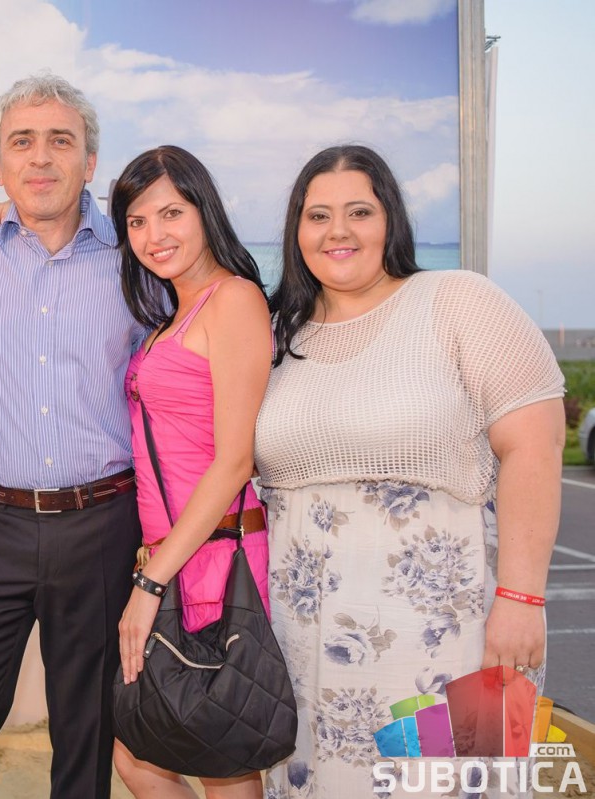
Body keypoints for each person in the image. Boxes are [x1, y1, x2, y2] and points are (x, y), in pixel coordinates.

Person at [254, 144, 565, 798]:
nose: (338, 230)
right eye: (318, 215)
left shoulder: (457, 300)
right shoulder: (276, 333)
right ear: (296, 231)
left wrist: (522, 598)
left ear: (390, 219)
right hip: (304, 649)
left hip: (452, 636)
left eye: (359, 211)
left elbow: (534, 446)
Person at [0, 73, 145, 799]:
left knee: (86, 736)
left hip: (103, 523)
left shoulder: (136, 253)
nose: (41, 157)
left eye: (60, 141)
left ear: (90, 162)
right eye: (22, 142)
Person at [110, 146, 272, 799]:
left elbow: (235, 459)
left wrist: (149, 582)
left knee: (220, 762)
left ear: (205, 211)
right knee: (140, 756)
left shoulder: (232, 300)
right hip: (177, 558)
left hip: (215, 560)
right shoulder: (172, 315)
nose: (155, 234)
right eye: (137, 221)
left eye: (172, 213)